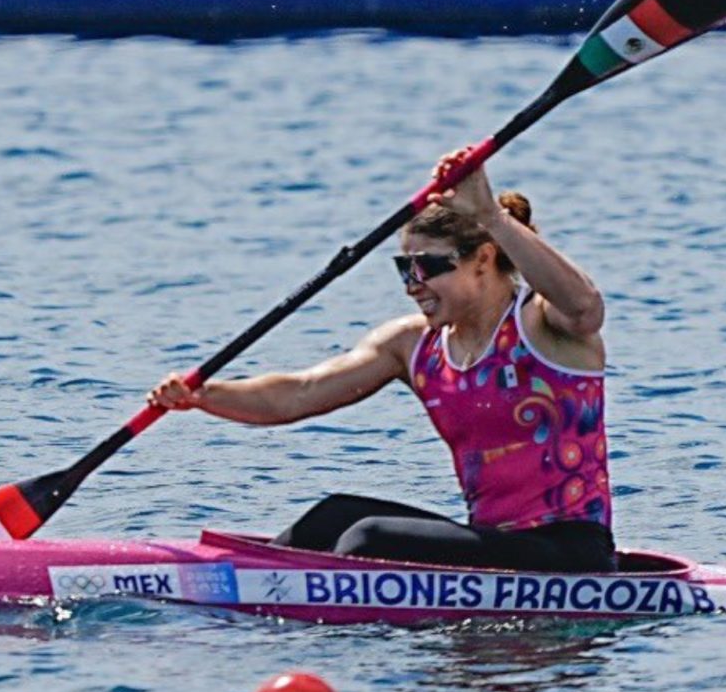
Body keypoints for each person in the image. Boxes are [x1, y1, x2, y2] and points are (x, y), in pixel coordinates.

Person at [147, 153, 614, 573]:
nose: (412, 285)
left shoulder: (541, 324)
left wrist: (490, 215)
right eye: (404, 269)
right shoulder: (413, 345)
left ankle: (302, 613)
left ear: (483, 259)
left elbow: (586, 308)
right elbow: (299, 393)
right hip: (494, 544)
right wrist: (202, 396)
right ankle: (253, 591)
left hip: (570, 554)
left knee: (369, 539)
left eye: (427, 267)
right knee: (332, 517)